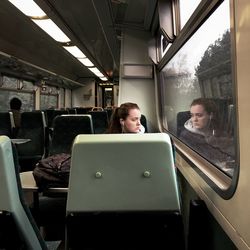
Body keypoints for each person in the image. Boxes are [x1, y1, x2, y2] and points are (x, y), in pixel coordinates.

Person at [179, 98, 235, 171]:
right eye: (192, 115)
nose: (194, 119)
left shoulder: (218, 130)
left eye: (199, 115)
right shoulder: (186, 137)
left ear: (210, 115)